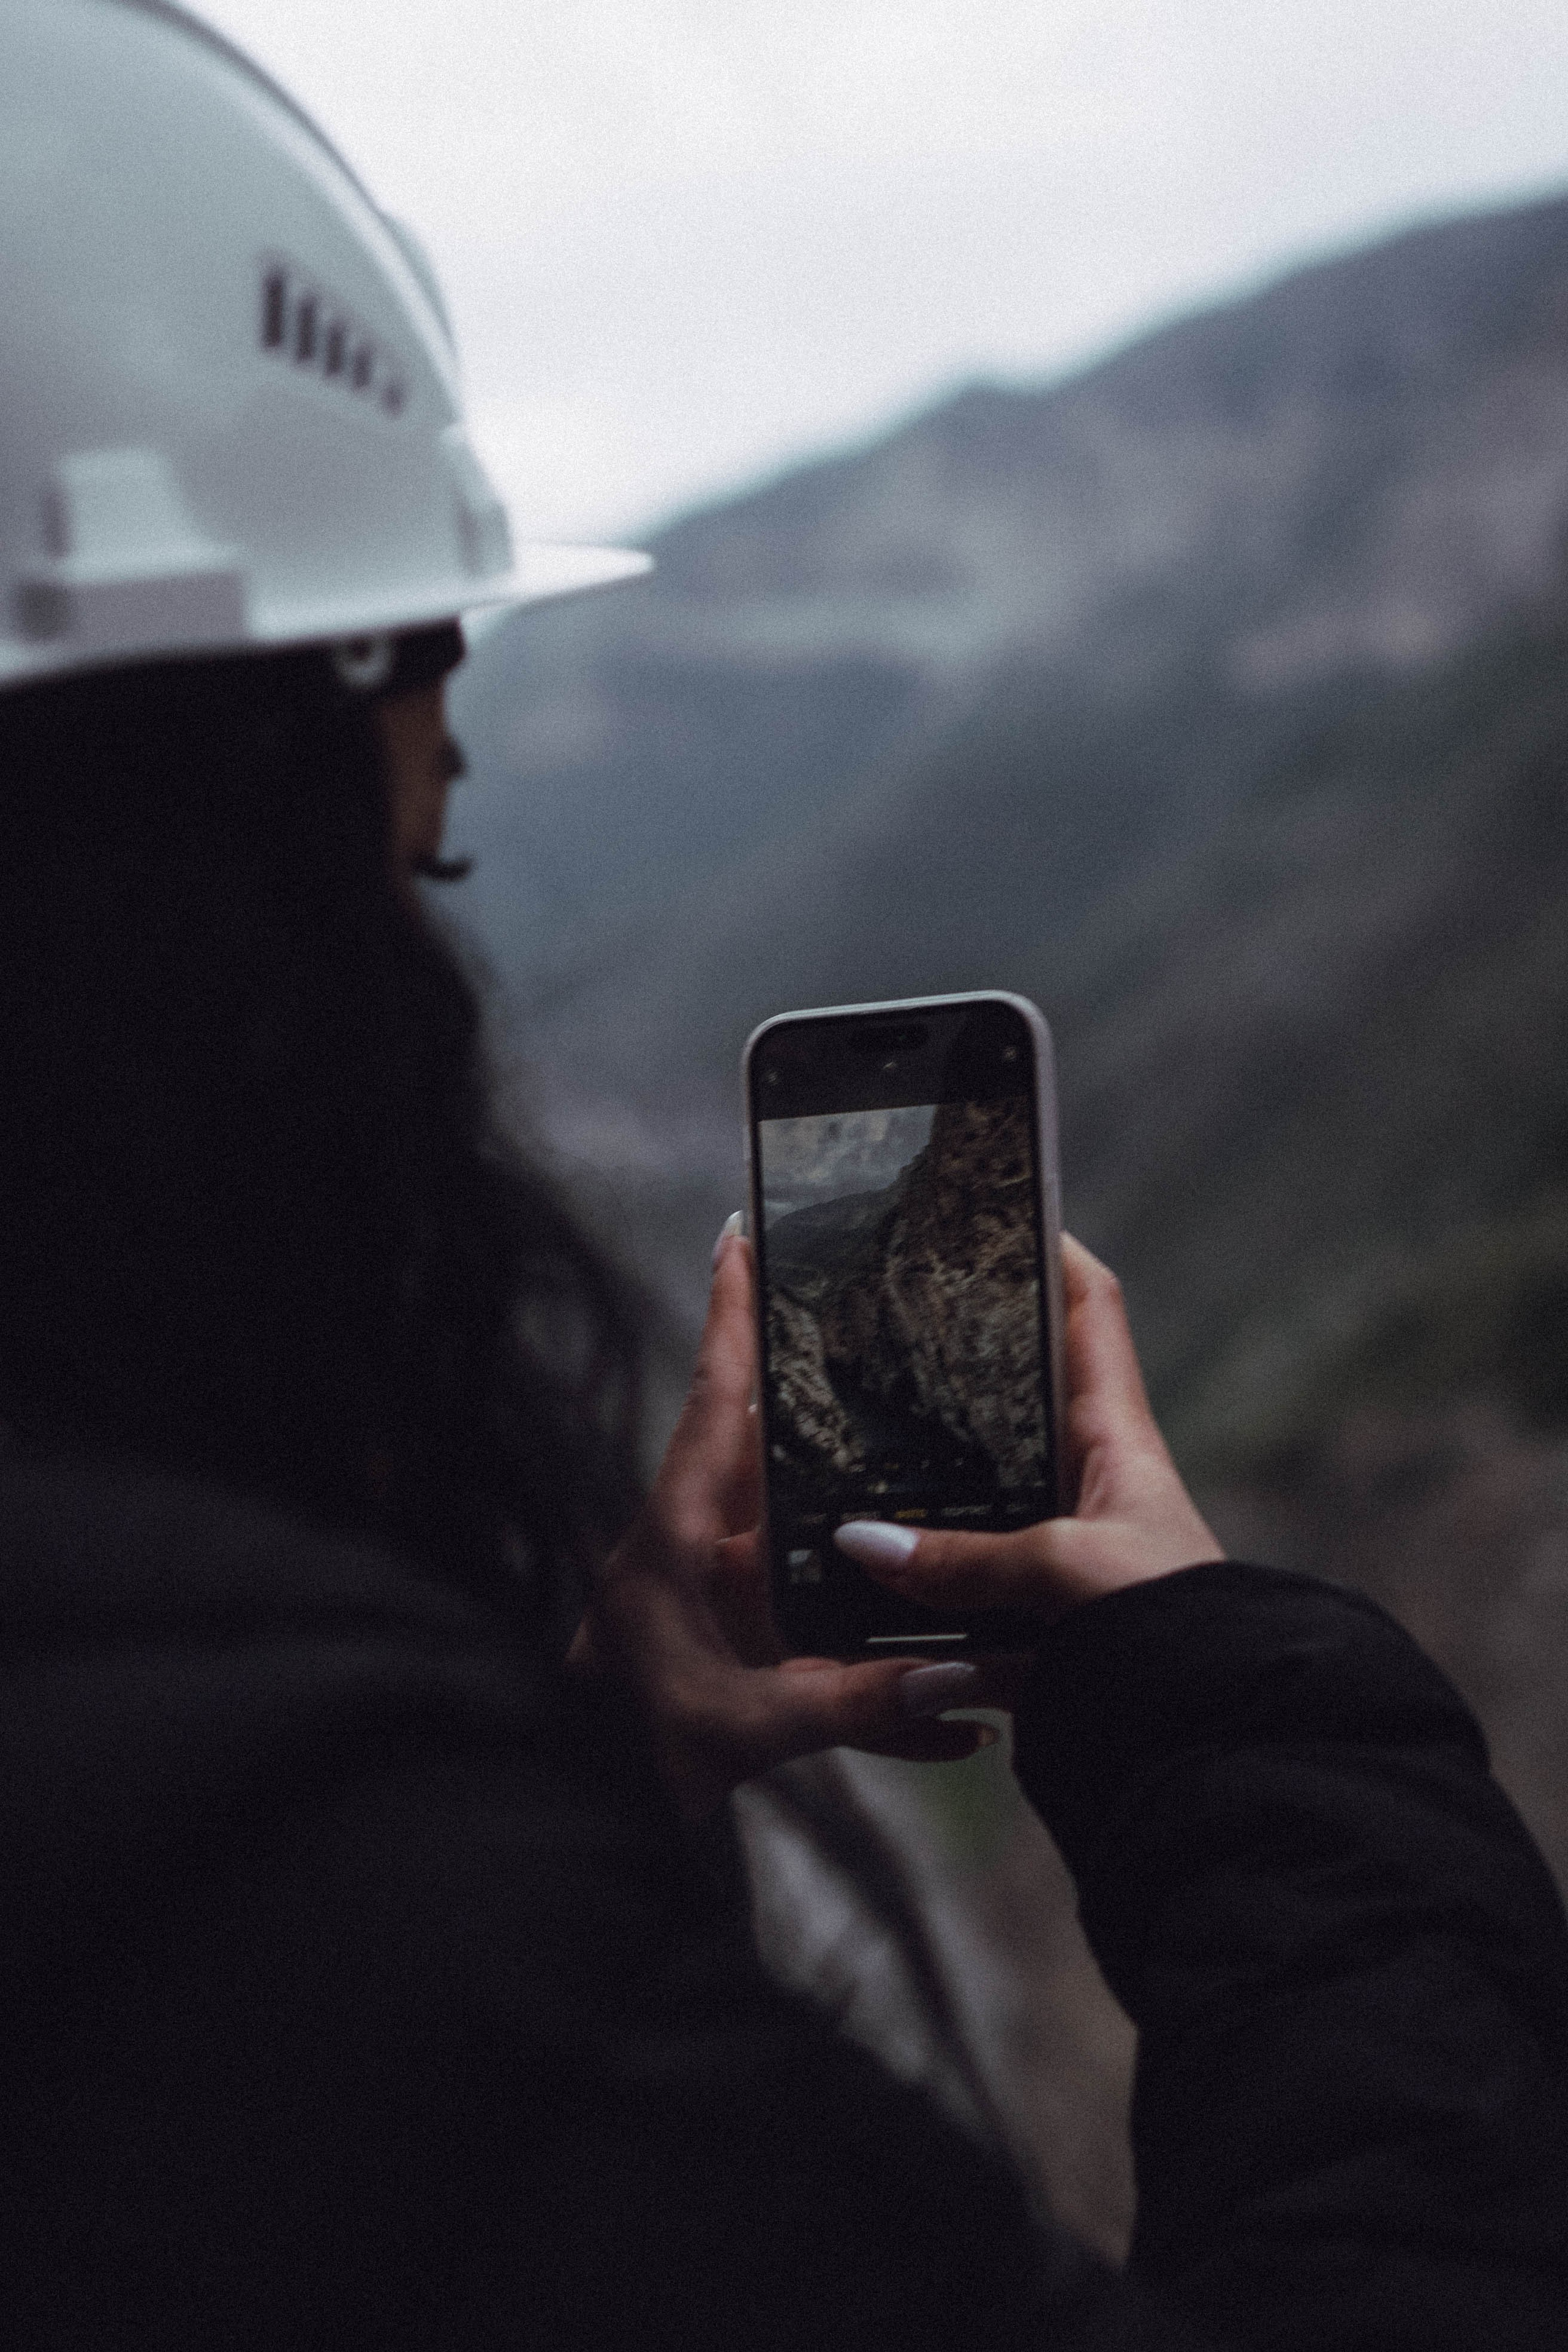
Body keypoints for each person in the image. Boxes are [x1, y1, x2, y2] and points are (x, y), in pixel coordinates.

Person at [1, 6, 1564, 2348]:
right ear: (202, 888)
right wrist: (1240, 1718)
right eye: (411, 849)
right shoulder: (308, 1904)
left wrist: (561, 1782)